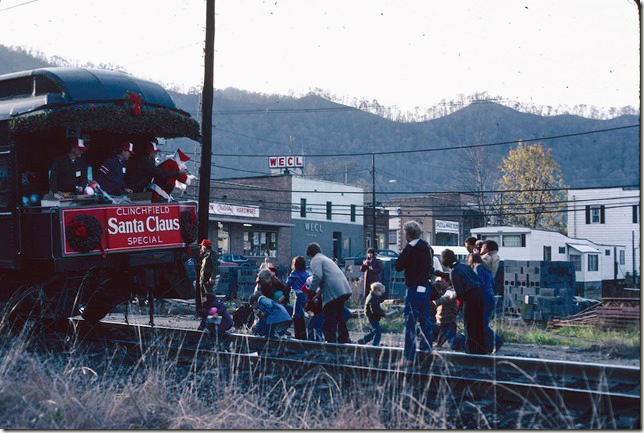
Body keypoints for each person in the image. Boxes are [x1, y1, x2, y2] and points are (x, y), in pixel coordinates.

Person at [394, 221, 437, 365]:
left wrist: (405, 250)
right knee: (426, 323)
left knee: (410, 323)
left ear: (408, 234)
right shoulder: (427, 248)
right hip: (425, 287)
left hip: (413, 289)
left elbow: (398, 266)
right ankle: (427, 354)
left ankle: (409, 357)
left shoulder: (410, 249)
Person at [441, 248, 486, 354]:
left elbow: (460, 292)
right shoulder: (465, 267)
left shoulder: (454, 271)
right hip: (480, 295)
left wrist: (457, 304)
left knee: (469, 325)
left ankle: (471, 351)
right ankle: (481, 349)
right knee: (478, 324)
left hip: (470, 299)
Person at [306, 242, 352, 344]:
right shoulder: (325, 258)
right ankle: (344, 339)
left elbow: (318, 276)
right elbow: (327, 279)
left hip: (333, 292)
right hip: (343, 289)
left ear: (309, 253)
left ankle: (330, 342)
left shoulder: (315, 260)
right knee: (339, 315)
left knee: (329, 316)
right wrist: (318, 294)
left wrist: (311, 290)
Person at [469, 253, 503, 354]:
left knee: (481, 324)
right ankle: (488, 346)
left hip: (483, 297)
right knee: (483, 322)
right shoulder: (487, 268)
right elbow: (492, 283)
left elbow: (479, 283)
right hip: (490, 296)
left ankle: (497, 341)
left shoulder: (478, 268)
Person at [432, 277, 463, 350]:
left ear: (448, 282)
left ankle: (464, 339)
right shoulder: (440, 291)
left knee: (454, 344)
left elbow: (445, 299)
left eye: (441, 282)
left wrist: (433, 302)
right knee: (438, 345)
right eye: (437, 282)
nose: (438, 283)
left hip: (448, 323)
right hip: (441, 323)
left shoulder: (451, 291)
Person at [358, 282, 391, 346]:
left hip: (372, 316)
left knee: (375, 331)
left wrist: (383, 312)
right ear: (376, 290)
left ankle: (364, 340)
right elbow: (375, 309)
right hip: (372, 317)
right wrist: (384, 314)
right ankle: (375, 345)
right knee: (378, 332)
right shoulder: (372, 299)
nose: (381, 294)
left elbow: (377, 308)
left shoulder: (373, 297)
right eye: (381, 292)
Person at [286, 256, 309, 340]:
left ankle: (298, 335)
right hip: (305, 295)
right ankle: (303, 334)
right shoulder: (306, 273)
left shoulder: (294, 273)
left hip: (298, 295)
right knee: (301, 315)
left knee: (296, 315)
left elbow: (288, 283)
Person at [197, 239, 218, 310]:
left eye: (202, 247)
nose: (201, 248)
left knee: (209, 294)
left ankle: (214, 308)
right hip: (203, 278)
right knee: (203, 295)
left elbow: (215, 266)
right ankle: (205, 308)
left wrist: (212, 277)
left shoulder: (212, 254)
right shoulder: (204, 255)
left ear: (204, 247)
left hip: (208, 277)